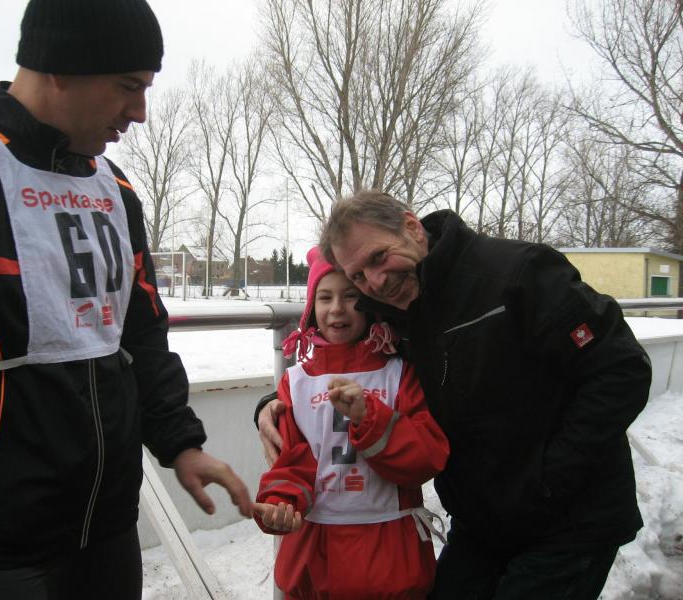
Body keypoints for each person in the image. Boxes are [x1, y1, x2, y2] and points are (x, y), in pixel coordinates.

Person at [0, 2, 251, 599]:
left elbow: (140, 333)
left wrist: (180, 443)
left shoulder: (114, 189)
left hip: (109, 533)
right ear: (59, 67)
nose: (140, 112)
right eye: (128, 86)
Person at [257, 190, 652, 599]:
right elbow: (345, 359)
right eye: (358, 276)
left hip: (570, 519)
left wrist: (549, 480)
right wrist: (275, 406)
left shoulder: (519, 273)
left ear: (412, 228)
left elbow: (620, 368)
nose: (374, 281)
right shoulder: (391, 306)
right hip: (482, 522)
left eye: (378, 257)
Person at [253, 246, 449, 599]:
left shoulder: (399, 373)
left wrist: (368, 418)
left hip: (390, 553)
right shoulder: (295, 382)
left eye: (350, 296)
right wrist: (281, 503)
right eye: (324, 297)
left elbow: (425, 459)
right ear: (311, 309)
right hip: (315, 556)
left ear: (370, 303)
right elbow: (291, 461)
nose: (337, 308)